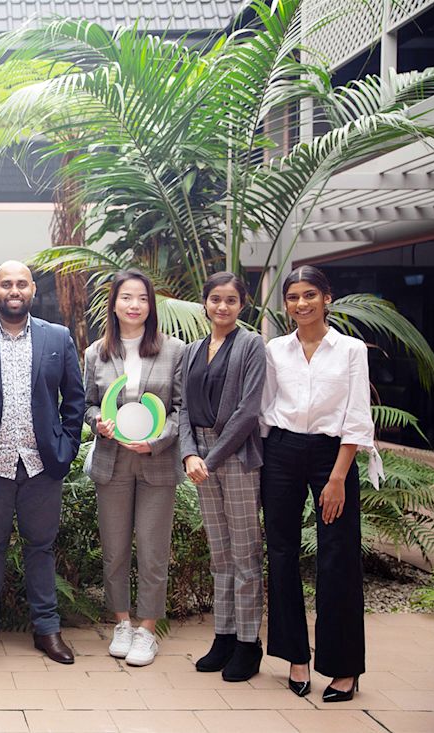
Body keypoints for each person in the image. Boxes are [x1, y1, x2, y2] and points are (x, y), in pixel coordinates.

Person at [260, 265, 380, 703]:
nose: (301, 304)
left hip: (334, 455)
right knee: (282, 553)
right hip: (281, 451)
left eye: (310, 294)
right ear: (286, 304)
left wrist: (338, 477)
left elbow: (357, 415)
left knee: (339, 556)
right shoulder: (276, 349)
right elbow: (265, 408)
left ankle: (344, 668)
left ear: (327, 298)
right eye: (293, 297)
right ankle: (295, 657)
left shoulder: (350, 350)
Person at [0, 261, 85, 663]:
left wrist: (66, 447)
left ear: (33, 289)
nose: (14, 290)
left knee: (41, 548)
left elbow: (75, 399)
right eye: (6, 284)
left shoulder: (57, 337)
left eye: (21, 284)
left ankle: (47, 630)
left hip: (42, 464)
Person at [83, 269, 184, 668]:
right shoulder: (96, 352)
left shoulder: (174, 350)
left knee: (154, 550)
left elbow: (181, 409)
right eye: (126, 297)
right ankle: (122, 622)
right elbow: (89, 404)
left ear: (150, 305)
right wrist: (98, 423)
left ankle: (147, 629)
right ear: (114, 303)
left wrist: (157, 441)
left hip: (157, 461)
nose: (134, 305)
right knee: (114, 549)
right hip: (112, 461)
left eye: (142, 298)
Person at [178, 272, 266, 682]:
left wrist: (210, 459)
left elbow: (249, 411)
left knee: (245, 553)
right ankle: (224, 637)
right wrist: (189, 455)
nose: (222, 307)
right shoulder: (192, 350)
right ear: (205, 303)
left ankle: (248, 644)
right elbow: (182, 407)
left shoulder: (252, 345)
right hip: (199, 457)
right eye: (215, 299)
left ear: (242, 304)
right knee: (220, 553)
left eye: (231, 300)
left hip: (236, 455)